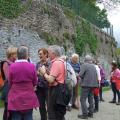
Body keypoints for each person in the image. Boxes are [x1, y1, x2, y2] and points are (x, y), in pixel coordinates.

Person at [8, 46, 39, 120]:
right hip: (28, 95)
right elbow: (35, 81)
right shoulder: (32, 66)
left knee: (16, 117)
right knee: (28, 116)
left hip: (15, 95)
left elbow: (10, 81)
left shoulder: (12, 66)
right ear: (27, 55)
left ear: (18, 55)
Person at [39, 45, 66, 120]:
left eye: (48, 52)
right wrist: (47, 72)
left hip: (55, 90)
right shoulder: (61, 61)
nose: (48, 54)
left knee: (53, 113)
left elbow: (50, 80)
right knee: (58, 113)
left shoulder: (56, 63)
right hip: (60, 89)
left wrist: (44, 73)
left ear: (53, 53)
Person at [78, 55, 98, 119]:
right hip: (93, 85)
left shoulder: (84, 65)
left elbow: (80, 74)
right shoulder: (94, 66)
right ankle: (91, 114)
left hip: (86, 85)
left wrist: (77, 74)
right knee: (90, 99)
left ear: (85, 60)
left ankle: (85, 114)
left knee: (82, 99)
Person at [1, 46, 17, 120]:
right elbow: (8, 77)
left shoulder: (13, 63)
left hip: (13, 89)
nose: (17, 56)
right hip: (8, 89)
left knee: (12, 109)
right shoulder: (6, 63)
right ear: (11, 54)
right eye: (15, 54)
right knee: (8, 109)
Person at [36, 48, 50, 120]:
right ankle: (43, 118)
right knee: (41, 105)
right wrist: (37, 73)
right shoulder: (38, 63)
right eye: (39, 54)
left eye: (41, 54)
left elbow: (52, 74)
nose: (39, 55)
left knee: (49, 105)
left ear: (46, 54)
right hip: (39, 87)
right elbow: (35, 74)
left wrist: (44, 71)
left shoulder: (50, 63)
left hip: (48, 87)